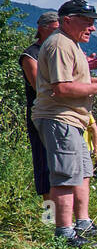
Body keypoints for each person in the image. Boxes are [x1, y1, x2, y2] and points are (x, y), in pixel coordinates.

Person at [31, 0, 97, 245]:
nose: (93, 28)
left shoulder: (70, 44)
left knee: (82, 172)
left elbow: (70, 80)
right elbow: (61, 88)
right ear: (68, 20)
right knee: (64, 175)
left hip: (74, 119)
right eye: (88, 22)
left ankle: (82, 223)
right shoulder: (60, 44)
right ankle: (64, 233)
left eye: (93, 22)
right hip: (60, 117)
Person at [17, 10, 63, 197]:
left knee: (62, 166)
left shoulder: (57, 53)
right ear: (42, 29)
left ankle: (65, 217)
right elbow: (39, 87)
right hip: (41, 116)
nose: (58, 35)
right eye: (54, 30)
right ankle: (49, 216)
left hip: (61, 115)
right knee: (45, 166)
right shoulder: (30, 55)